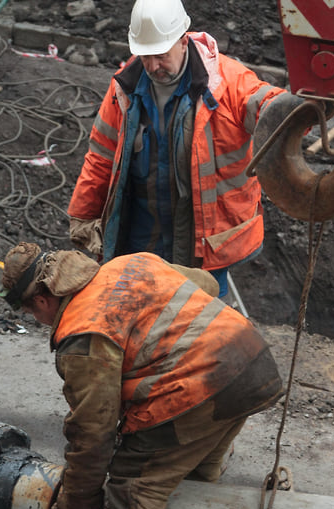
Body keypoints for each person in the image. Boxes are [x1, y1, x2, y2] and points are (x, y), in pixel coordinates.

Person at [0, 242, 282, 509]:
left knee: (134, 484)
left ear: (44, 298)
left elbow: (92, 432)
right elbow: (207, 286)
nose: (36, 320)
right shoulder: (131, 265)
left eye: (31, 311)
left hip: (198, 389)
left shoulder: (84, 334)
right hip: (250, 363)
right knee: (190, 472)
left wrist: (79, 504)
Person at [67, 0, 295, 299]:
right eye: (145, 56)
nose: (152, 67)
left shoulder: (227, 82)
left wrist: (297, 110)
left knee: (200, 325)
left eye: (160, 56)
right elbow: (100, 156)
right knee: (136, 313)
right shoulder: (124, 87)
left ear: (183, 41)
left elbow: (268, 107)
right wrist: (83, 215)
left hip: (202, 237)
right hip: (140, 229)